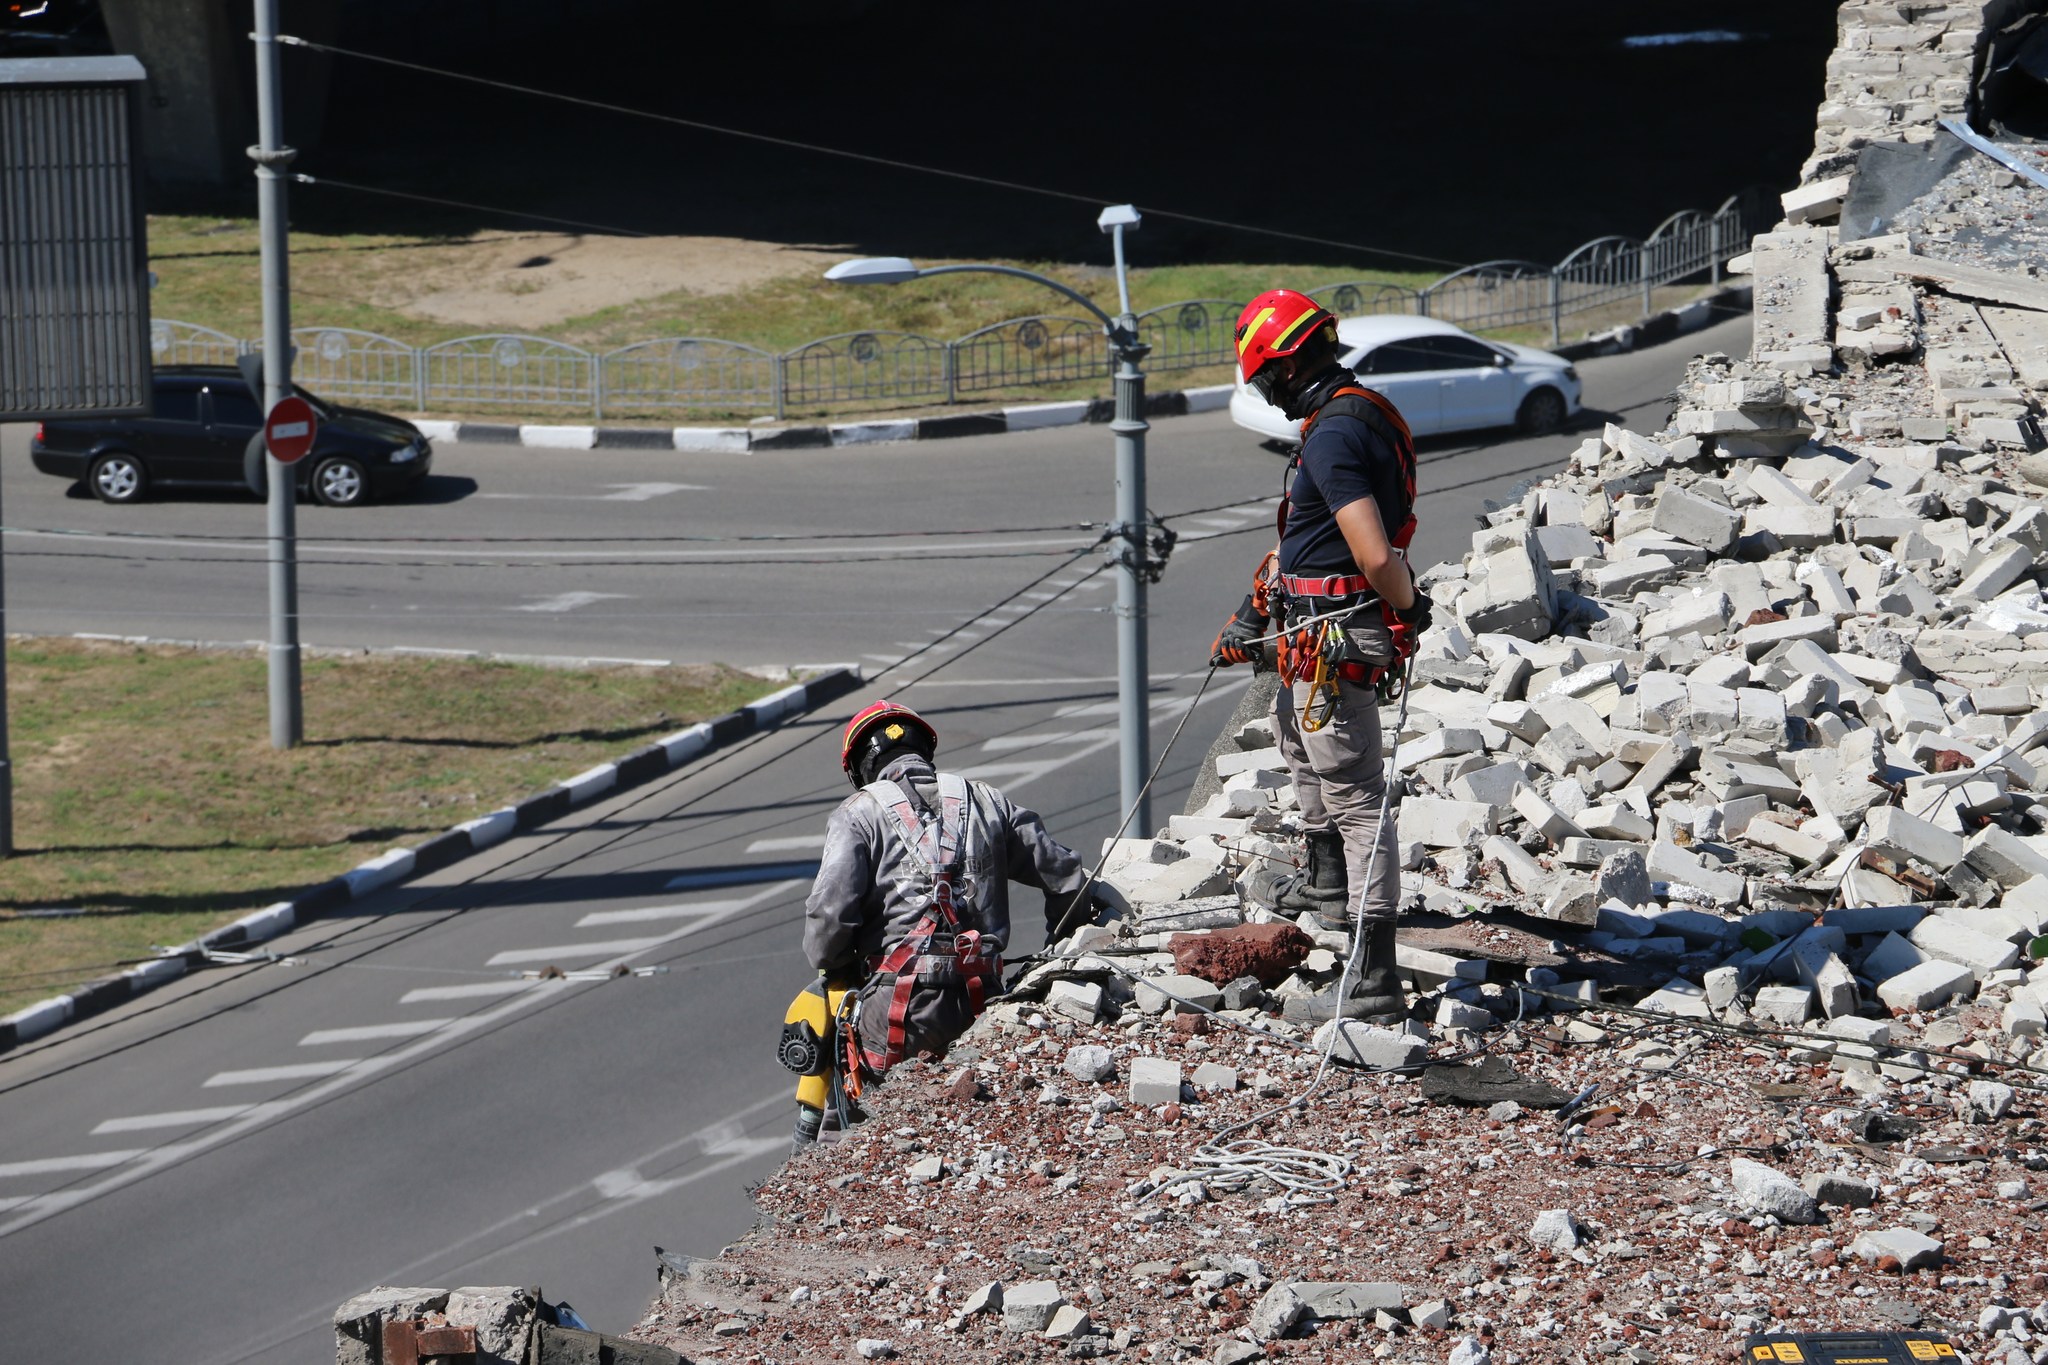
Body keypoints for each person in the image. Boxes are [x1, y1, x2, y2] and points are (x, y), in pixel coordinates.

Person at [1210, 289, 1431, 1024]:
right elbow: (1307, 541)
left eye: (1267, 379)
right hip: (1312, 630)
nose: (1267, 396)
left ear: (1289, 363)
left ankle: (1374, 972)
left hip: (1339, 631)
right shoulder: (1344, 418)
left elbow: (1370, 552)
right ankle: (1326, 883)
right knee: (1298, 742)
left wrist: (1405, 607)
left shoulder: (1335, 434)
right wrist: (1252, 613)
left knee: (1356, 794)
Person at [803, 700, 1095, 1082]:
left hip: (899, 1010)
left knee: (847, 1104)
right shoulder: (988, 801)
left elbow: (829, 918)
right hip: (984, 1001)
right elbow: (1067, 876)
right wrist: (1058, 954)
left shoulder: (857, 813)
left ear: (859, 770)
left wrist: (839, 965)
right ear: (926, 750)